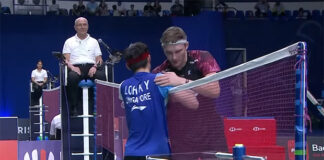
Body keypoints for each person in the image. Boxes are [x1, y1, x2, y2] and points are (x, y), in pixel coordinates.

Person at [152, 26, 225, 153]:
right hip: (181, 136)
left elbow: (215, 91)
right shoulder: (160, 72)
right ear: (163, 49)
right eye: (169, 53)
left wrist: (180, 81)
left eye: (178, 51)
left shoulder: (202, 57)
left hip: (211, 131)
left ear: (186, 46)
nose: (174, 57)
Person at [120, 42, 198, 160]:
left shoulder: (123, 86)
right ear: (149, 58)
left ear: (127, 66)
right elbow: (193, 103)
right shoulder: (161, 80)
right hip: (157, 153)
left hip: (131, 153)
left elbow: (125, 104)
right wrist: (179, 81)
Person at [62, 17, 106, 116]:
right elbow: (66, 59)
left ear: (88, 26)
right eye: (79, 25)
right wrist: (73, 68)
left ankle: (99, 107)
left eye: (84, 24)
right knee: (72, 77)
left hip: (91, 66)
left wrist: (95, 67)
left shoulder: (94, 41)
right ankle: (74, 107)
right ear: (75, 27)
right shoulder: (69, 41)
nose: (82, 27)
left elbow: (99, 59)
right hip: (75, 67)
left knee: (102, 76)